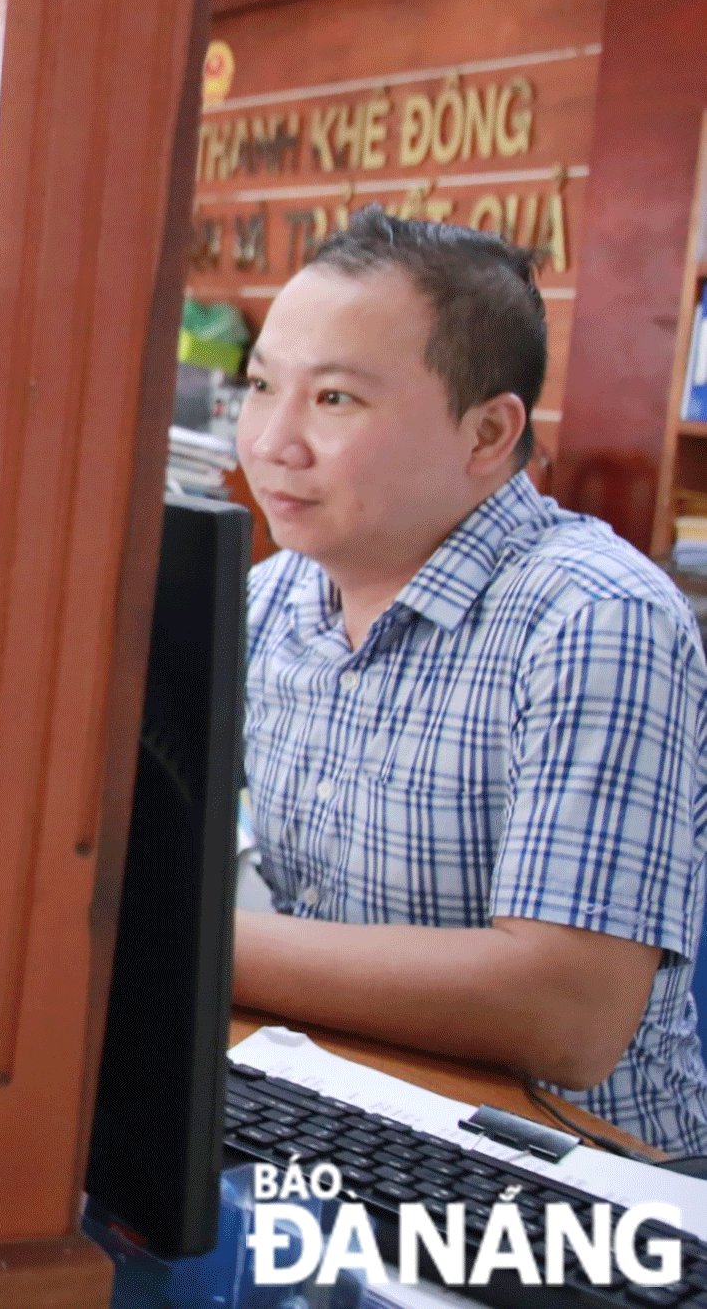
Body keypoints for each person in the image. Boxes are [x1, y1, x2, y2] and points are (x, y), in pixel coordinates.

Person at [231, 206, 707, 1153]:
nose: (274, 440)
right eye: (261, 385)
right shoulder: (270, 597)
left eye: (334, 400)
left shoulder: (595, 617)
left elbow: (567, 1013)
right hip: (343, 1102)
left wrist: (185, 941)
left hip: (580, 1176)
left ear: (489, 433)